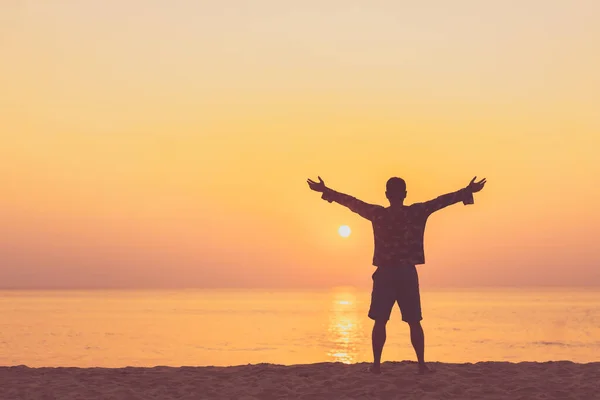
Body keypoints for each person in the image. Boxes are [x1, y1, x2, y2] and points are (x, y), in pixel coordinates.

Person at [307, 175, 487, 374]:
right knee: (414, 321)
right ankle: (421, 365)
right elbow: (441, 202)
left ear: (387, 195)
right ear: (405, 194)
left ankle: (376, 365)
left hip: (385, 274)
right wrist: (467, 191)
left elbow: (352, 203)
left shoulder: (378, 214)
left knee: (380, 321)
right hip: (406, 273)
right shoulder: (416, 212)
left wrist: (326, 191)